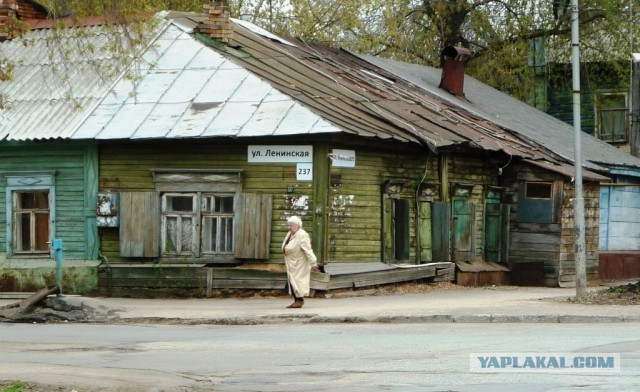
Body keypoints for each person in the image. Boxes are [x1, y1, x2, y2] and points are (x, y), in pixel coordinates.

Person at [282, 216, 319, 308]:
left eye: (291, 226)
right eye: (288, 226)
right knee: (292, 281)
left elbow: (308, 249)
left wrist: (313, 263)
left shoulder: (302, 235)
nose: (289, 228)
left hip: (299, 263)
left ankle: (299, 301)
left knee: (297, 282)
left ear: (297, 225)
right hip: (291, 262)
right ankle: (297, 300)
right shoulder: (290, 234)